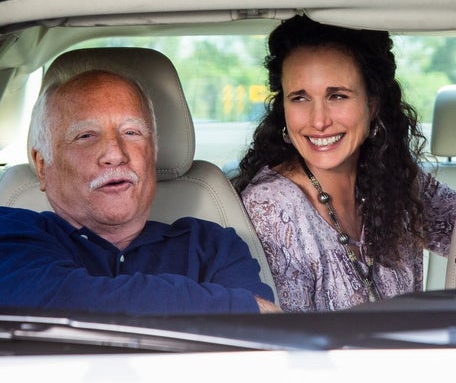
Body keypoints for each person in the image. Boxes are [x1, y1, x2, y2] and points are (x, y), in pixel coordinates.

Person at [232, 15, 456, 312]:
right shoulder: (272, 209)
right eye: (300, 98)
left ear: (372, 104)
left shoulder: (393, 177)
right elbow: (289, 340)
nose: (319, 121)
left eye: (337, 96)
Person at [0, 69, 281, 314]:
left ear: (153, 152)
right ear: (42, 166)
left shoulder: (213, 246)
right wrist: (238, 305)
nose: (114, 153)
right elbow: (51, 300)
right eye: (86, 136)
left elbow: (255, 344)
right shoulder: (11, 231)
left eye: (132, 133)